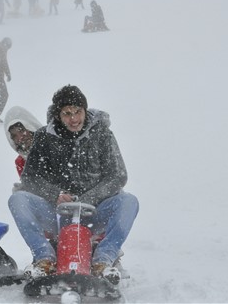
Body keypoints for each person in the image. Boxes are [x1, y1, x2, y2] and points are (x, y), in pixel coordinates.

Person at [8, 85, 139, 284]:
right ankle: (44, 258)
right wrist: (56, 194)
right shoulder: (44, 137)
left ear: (85, 111)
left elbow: (118, 176)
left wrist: (88, 199)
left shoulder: (102, 134)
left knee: (129, 201)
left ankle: (103, 260)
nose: (74, 119)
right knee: (18, 199)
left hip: (94, 213)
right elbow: (30, 177)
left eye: (78, 112)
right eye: (67, 113)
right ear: (58, 114)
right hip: (56, 212)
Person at [4, 106, 43, 177]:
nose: (20, 137)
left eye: (21, 130)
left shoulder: (56, 146)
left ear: (31, 127)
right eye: (14, 136)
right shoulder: (21, 163)